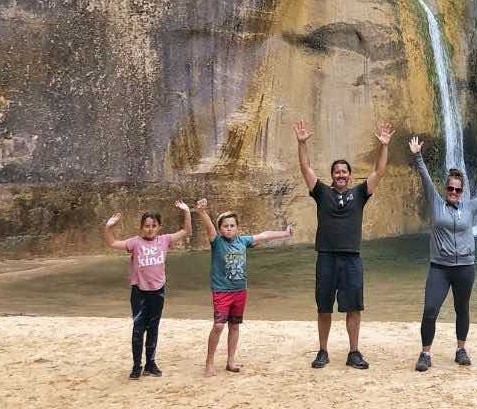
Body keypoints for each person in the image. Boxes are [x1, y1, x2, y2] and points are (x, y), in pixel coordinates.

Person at [409, 136, 477, 371]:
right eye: (450, 188)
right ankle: (425, 354)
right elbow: (425, 178)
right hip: (440, 268)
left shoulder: (469, 206)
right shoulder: (437, 203)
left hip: (465, 268)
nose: (454, 192)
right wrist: (417, 155)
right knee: (430, 310)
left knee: (462, 309)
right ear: (445, 188)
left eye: (457, 189)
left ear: (462, 190)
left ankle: (461, 349)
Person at [294, 120, 394, 370]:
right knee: (324, 307)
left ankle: (354, 352)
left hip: (351, 258)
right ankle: (323, 351)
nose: (341, 175)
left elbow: (379, 172)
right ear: (332, 176)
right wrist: (302, 143)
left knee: (354, 308)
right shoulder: (321, 192)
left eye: (344, 171)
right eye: (337, 171)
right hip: (326, 257)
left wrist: (384, 146)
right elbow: (304, 167)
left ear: (350, 176)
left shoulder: (360, 193)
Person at [195, 198, 293, 377]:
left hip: (240, 292)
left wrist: (284, 234)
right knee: (218, 326)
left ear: (237, 227)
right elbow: (209, 227)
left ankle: (230, 361)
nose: (229, 228)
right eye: (225, 226)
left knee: (234, 326)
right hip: (222, 291)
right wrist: (202, 212)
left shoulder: (243, 241)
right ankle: (209, 362)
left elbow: (264, 235)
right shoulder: (217, 242)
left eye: (232, 225)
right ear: (220, 229)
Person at [103, 200, 192, 380]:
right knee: (138, 329)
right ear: (141, 227)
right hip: (139, 293)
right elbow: (112, 243)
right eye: (146, 226)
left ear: (159, 227)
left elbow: (186, 231)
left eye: (153, 226)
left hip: (157, 292)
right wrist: (108, 227)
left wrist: (187, 211)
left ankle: (150, 363)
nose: (150, 229)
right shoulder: (135, 243)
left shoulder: (164, 240)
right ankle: (137, 366)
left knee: (153, 328)